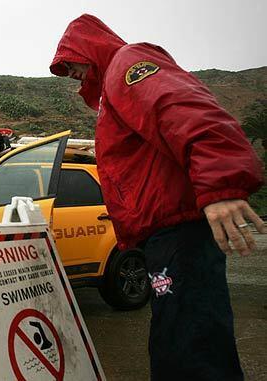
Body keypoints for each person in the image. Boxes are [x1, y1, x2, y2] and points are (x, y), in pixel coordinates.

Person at [50, 14, 265, 381]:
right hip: (164, 235)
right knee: (181, 338)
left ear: (90, 49)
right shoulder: (112, 89)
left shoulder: (128, 64)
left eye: (72, 64)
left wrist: (220, 185)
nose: (72, 74)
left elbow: (183, 109)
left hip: (179, 232)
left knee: (190, 344)